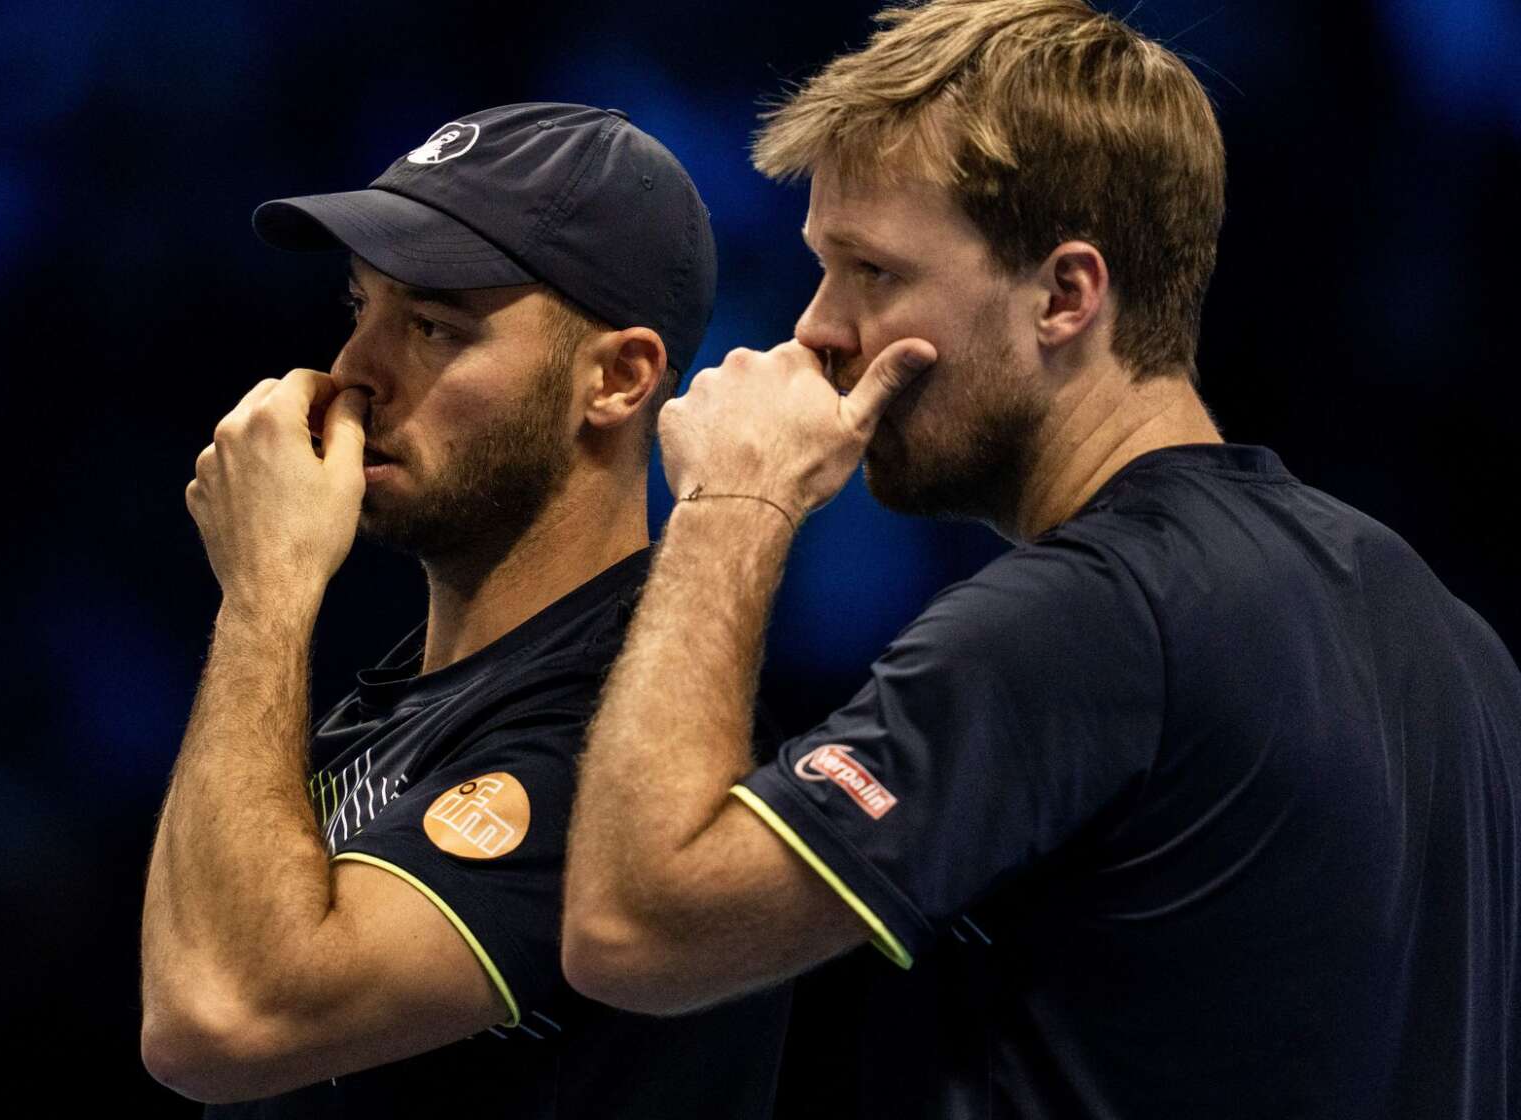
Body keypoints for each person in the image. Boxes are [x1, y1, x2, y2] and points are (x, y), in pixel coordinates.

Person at [559, 3, 1521, 1117]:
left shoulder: (1091, 618)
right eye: (823, 269)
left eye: (870, 271)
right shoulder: (1456, 642)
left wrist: (730, 504)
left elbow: (633, 926)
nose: (817, 329)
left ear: (1066, 295)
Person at [139, 102, 791, 1117]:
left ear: (618, 380)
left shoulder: (630, 735)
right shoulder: (399, 699)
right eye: (360, 306)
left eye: (435, 325)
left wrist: (264, 592)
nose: (356, 369)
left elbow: (221, 1015)